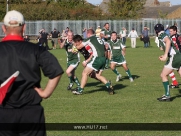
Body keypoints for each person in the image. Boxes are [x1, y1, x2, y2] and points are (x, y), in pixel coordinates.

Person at [0, 10, 64, 135]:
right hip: (31, 112)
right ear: (24, 27)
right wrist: (45, 93)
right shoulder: (36, 49)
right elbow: (56, 71)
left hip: (3, 111)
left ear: (3, 28)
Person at [72, 29, 114, 95]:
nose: (85, 35)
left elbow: (79, 46)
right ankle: (108, 85)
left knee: (84, 73)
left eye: (86, 34)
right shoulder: (98, 38)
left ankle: (80, 90)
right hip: (103, 58)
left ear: (88, 34)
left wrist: (74, 45)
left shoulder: (90, 39)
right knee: (97, 75)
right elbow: (104, 48)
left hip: (97, 58)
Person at [154, 24, 181, 102]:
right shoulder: (165, 34)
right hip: (178, 55)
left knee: (163, 75)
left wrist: (165, 55)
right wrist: (164, 54)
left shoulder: (161, 34)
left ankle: (167, 95)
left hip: (174, 57)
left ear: (156, 31)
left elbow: (168, 41)